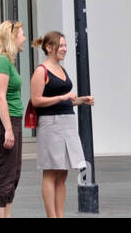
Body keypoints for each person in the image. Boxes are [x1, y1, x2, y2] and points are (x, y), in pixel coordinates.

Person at [29, 31, 93, 218]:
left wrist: (81, 100)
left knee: (63, 174)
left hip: (67, 122)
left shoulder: (60, 68)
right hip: (51, 124)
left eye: (65, 45)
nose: (65, 49)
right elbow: (36, 101)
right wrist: (63, 97)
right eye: (61, 45)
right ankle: (52, 216)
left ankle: (60, 215)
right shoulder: (41, 70)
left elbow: (63, 100)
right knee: (51, 172)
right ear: (49, 48)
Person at [0, 20, 27, 217]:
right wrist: (8, 129)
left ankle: (5, 215)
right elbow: (0, 97)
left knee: (12, 174)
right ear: (12, 38)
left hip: (9, 121)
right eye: (21, 35)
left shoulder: (7, 61)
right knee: (4, 175)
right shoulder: (1, 61)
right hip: (0, 122)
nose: (24, 38)